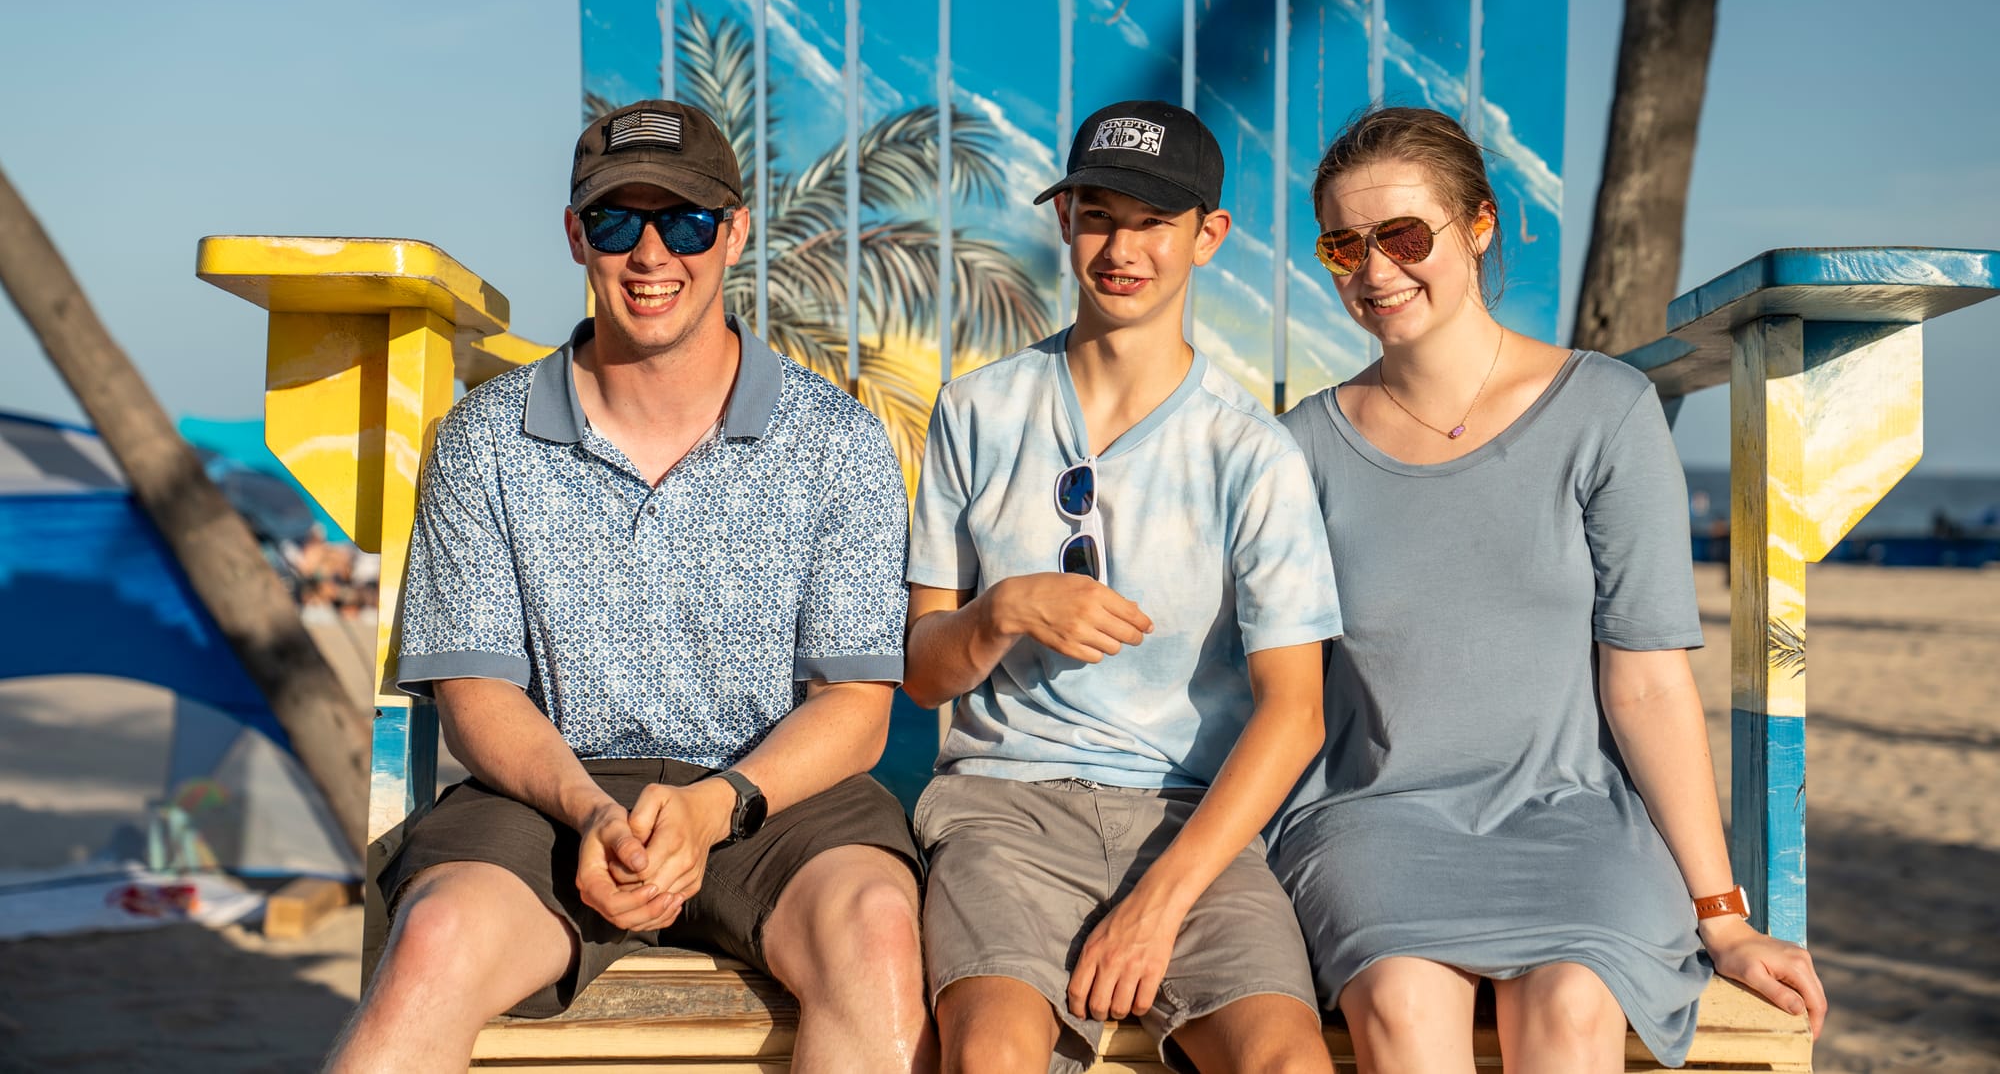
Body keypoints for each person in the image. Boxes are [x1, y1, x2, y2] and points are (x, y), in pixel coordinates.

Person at [324, 100, 931, 1074]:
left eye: (684, 221)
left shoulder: (839, 441)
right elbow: (477, 693)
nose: (650, 253)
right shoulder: (484, 438)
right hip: (550, 794)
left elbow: (856, 708)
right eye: (616, 221)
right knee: (432, 941)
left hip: (769, 798)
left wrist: (717, 804)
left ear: (734, 231)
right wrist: (591, 811)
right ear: (576, 235)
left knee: (878, 934)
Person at [1269, 106, 1828, 1071]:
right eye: (1343, 245)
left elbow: (1647, 684)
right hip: (1375, 819)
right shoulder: (1301, 447)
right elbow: (1278, 690)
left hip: (1576, 817)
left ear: (1479, 225)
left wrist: (1724, 916)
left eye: (1404, 236)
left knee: (1573, 1005)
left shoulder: (1606, 411)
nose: (1375, 269)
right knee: (1401, 999)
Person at [902, 100, 1342, 1074]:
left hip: (1193, 825)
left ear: (1207, 236)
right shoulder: (976, 408)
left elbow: (1296, 711)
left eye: (1153, 222)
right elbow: (925, 673)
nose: (1121, 248)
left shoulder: (1251, 451)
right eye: (1098, 216)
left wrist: (1158, 904)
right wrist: (1002, 609)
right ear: (1064, 219)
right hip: (1004, 811)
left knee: (1288, 1062)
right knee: (990, 1054)